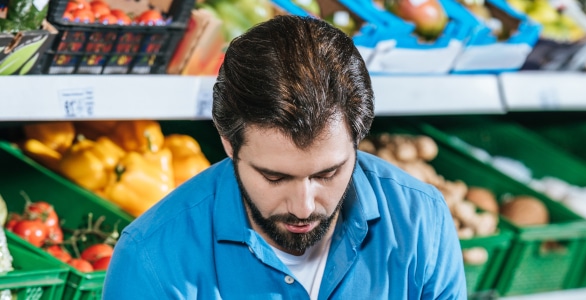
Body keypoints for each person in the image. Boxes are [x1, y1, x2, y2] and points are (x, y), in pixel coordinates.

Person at [103, 15, 466, 299]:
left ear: (357, 140)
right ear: (230, 144)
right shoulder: (151, 259)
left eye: (328, 174)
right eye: (275, 177)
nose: (304, 207)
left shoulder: (421, 220)